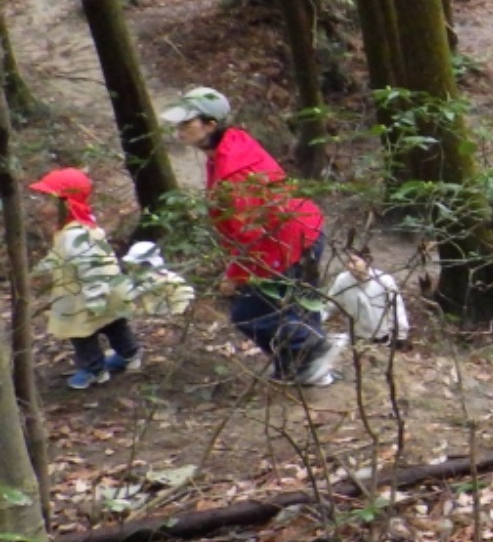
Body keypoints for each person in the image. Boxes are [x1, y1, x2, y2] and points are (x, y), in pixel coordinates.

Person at [162, 87, 344, 386]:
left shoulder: (232, 171)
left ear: (210, 125)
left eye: (187, 122)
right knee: (297, 306)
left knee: (250, 313)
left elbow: (251, 234)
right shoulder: (233, 143)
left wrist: (235, 275)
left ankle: (313, 350)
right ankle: (302, 370)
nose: (179, 129)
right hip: (302, 232)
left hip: (285, 243)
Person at [29, 168, 145, 390]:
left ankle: (94, 370)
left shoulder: (75, 236)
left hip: (86, 295)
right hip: (105, 289)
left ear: (65, 204)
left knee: (82, 333)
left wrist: (95, 299)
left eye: (49, 200)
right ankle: (129, 354)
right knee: (114, 323)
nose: (43, 207)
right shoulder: (83, 225)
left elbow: (91, 268)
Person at [327, 253, 411, 344]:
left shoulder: (384, 280)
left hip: (382, 339)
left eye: (354, 262)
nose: (350, 266)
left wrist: (401, 335)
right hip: (355, 338)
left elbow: (397, 308)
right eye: (348, 262)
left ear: (366, 261)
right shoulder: (343, 280)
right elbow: (330, 305)